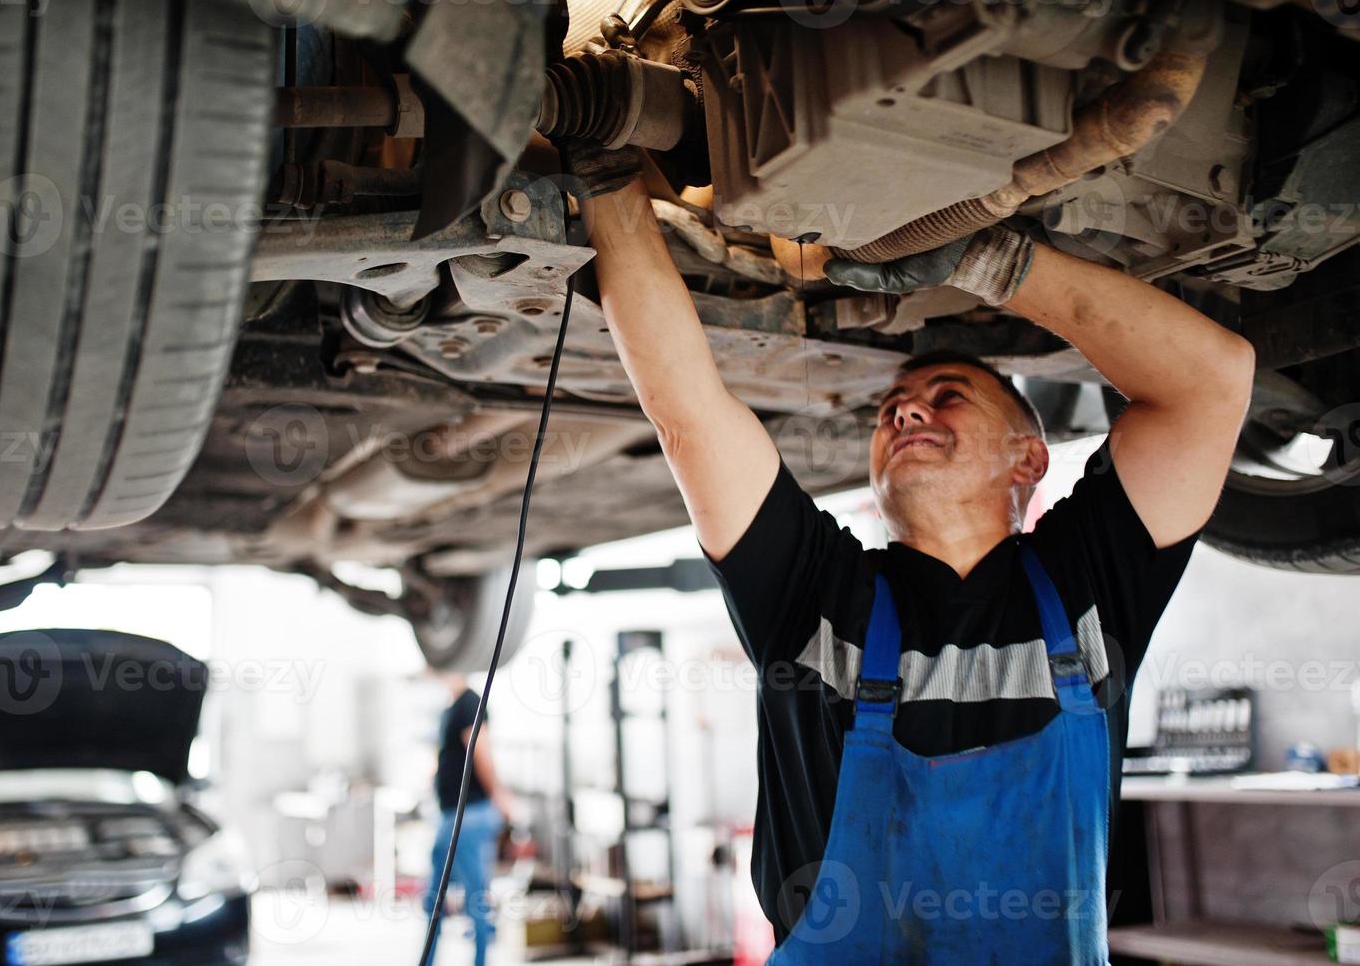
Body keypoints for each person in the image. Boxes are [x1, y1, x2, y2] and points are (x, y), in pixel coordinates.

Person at [567, 145, 1255, 962]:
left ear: (1027, 459)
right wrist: (605, 173)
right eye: (890, 408)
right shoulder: (812, 591)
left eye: (946, 397)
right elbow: (688, 411)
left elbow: (1213, 379)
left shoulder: (1086, 582)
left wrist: (988, 259)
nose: (903, 415)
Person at [423, 673, 516, 966]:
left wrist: (500, 795)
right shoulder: (451, 708)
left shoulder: (470, 703)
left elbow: (481, 752)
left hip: (470, 817)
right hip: (449, 817)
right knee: (434, 901)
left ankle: (480, 961)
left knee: (475, 899)